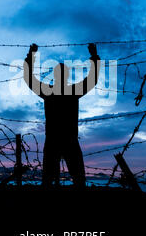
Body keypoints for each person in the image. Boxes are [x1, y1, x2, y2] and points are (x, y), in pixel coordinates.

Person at [24, 43, 100, 188]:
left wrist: (31, 55)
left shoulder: (48, 91)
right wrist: (94, 56)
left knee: (48, 179)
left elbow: (29, 79)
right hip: (70, 139)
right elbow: (92, 80)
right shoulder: (73, 91)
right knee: (78, 179)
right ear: (66, 76)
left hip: (53, 139)